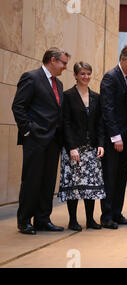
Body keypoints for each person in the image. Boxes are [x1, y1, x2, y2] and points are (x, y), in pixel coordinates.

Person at [12, 47, 70, 235]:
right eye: (63, 63)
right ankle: (24, 221)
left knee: (47, 182)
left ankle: (43, 219)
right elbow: (18, 106)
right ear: (52, 60)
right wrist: (28, 131)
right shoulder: (31, 77)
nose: (65, 67)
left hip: (53, 140)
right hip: (35, 139)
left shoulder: (59, 84)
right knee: (32, 181)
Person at [58, 61, 105, 231]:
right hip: (74, 148)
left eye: (88, 73)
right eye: (83, 74)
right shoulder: (68, 95)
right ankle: (72, 220)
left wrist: (101, 144)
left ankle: (91, 220)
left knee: (90, 186)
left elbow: (100, 123)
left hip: (91, 148)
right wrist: (71, 147)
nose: (86, 77)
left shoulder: (96, 97)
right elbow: (66, 124)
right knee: (74, 185)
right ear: (75, 75)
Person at [100, 45, 127, 229]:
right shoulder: (110, 77)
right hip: (113, 136)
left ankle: (117, 212)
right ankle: (106, 215)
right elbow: (107, 109)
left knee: (122, 177)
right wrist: (115, 136)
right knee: (110, 176)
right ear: (122, 58)